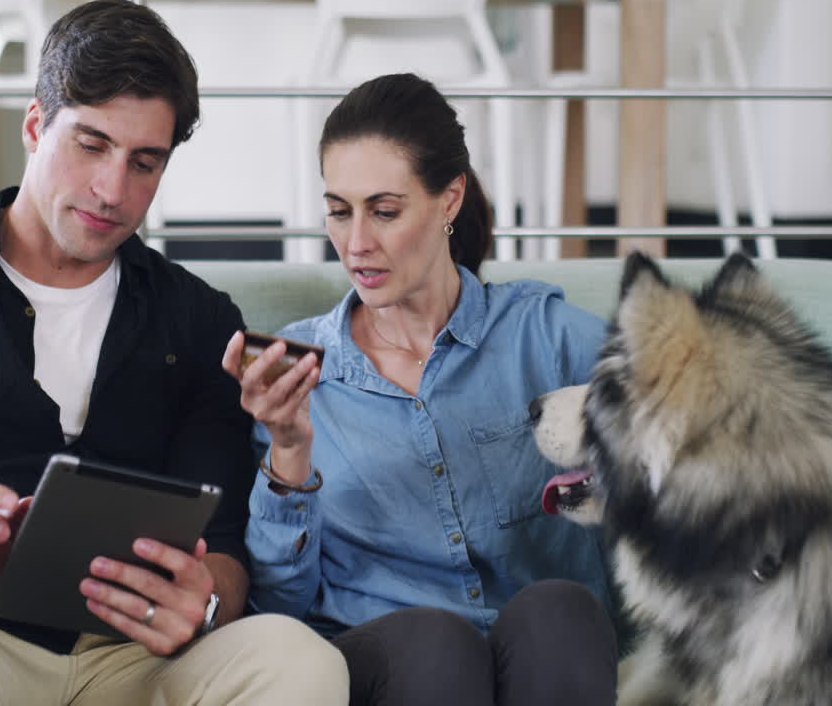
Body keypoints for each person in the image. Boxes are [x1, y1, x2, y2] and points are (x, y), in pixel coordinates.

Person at [0, 0, 347, 706]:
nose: (113, 190)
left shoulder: (200, 321)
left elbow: (229, 550)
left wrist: (206, 606)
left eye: (144, 163)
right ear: (34, 125)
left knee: (298, 660)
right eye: (91, 144)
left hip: (139, 661)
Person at [222, 72, 619, 706]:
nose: (356, 244)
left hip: (541, 652)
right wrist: (289, 451)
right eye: (338, 211)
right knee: (439, 643)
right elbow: (279, 606)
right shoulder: (295, 376)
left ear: (449, 200)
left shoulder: (545, 338)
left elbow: (687, 414)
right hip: (384, 660)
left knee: (561, 609)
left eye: (384, 211)